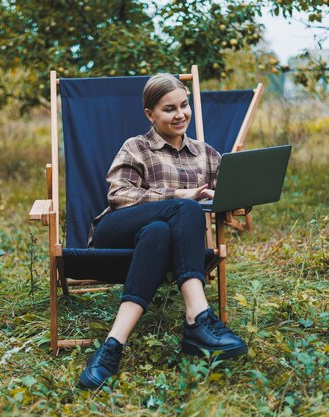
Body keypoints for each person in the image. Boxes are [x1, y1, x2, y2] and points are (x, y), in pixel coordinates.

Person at [79, 73, 247, 390]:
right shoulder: (137, 147)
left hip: (156, 245)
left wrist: (231, 197)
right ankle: (198, 317)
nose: (180, 114)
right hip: (114, 234)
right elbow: (119, 196)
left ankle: (111, 348)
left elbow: (234, 200)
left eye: (184, 105)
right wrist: (178, 196)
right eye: (169, 109)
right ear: (150, 114)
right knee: (185, 208)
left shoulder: (207, 154)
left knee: (158, 230)